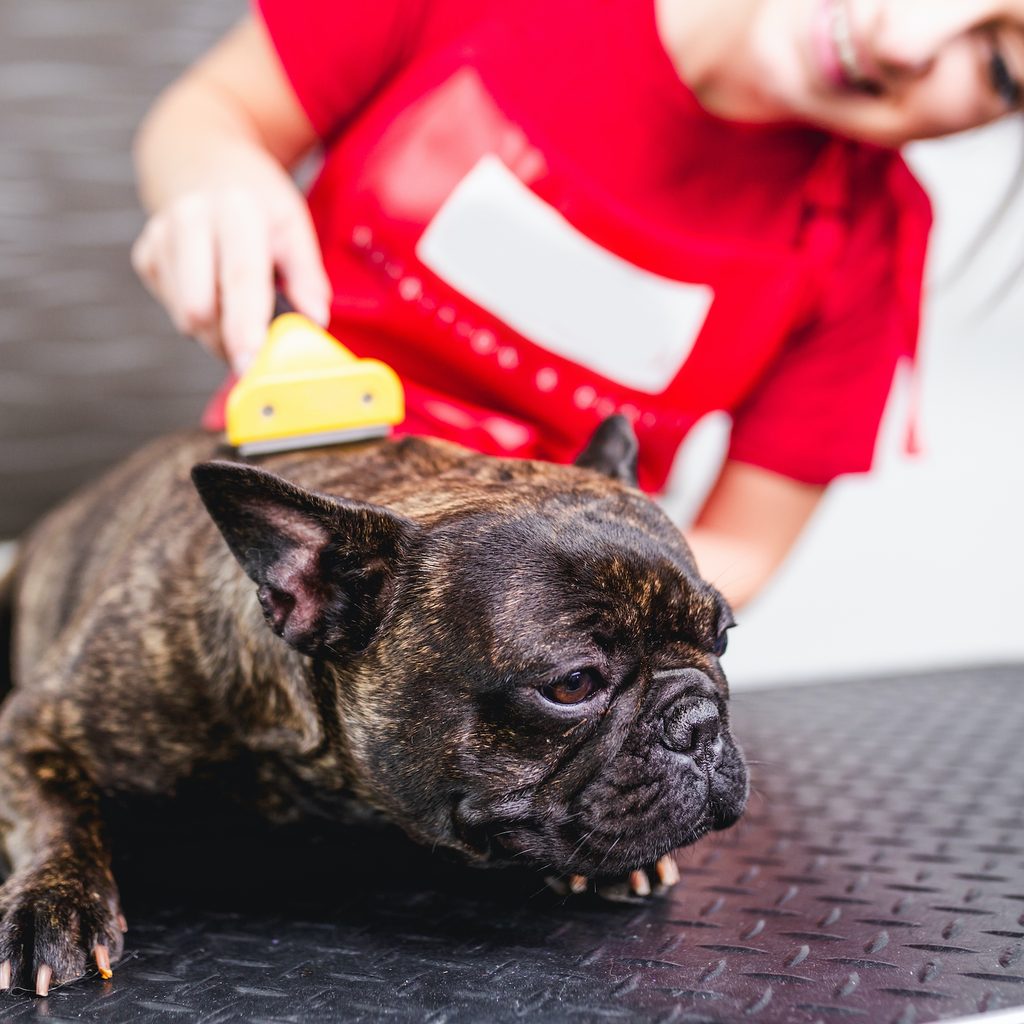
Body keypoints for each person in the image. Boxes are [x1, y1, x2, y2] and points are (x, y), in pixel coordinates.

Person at [131, 0, 1024, 608]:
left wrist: (547, 605)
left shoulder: (872, 242)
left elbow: (743, 549)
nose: (906, 41)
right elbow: (214, 109)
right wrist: (214, 172)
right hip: (273, 554)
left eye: (998, 66)